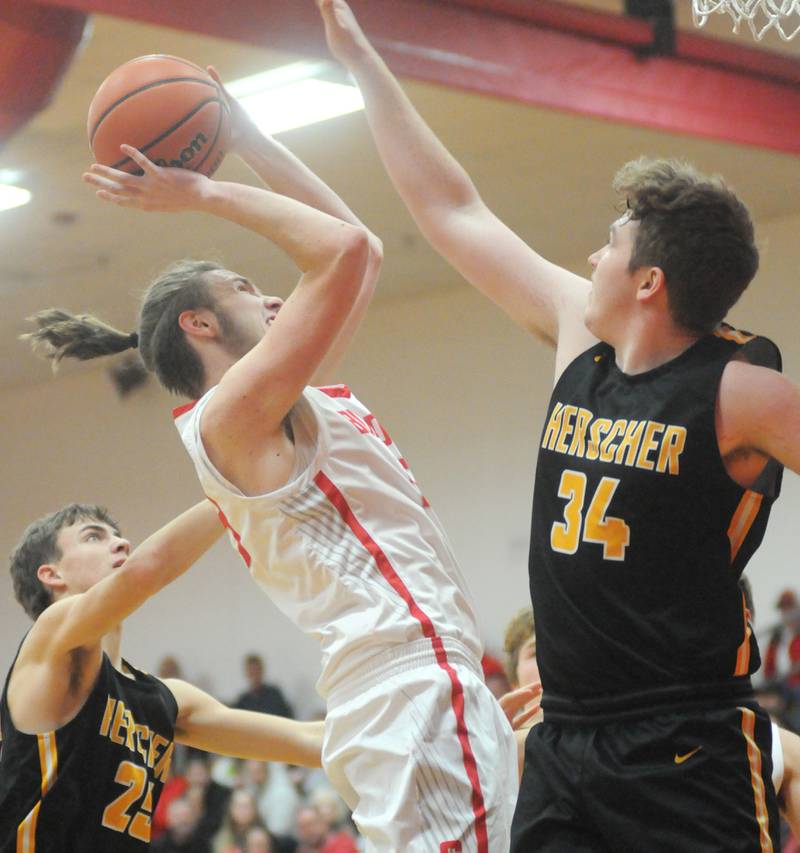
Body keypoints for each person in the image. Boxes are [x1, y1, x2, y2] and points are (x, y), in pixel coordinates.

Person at [315, 2, 800, 849]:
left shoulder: (739, 390)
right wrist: (362, 60)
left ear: (648, 281)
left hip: (684, 746)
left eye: (609, 244)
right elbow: (452, 209)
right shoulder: (583, 334)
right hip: (566, 738)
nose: (590, 257)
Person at [23, 71, 517, 851]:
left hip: (412, 683)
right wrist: (203, 192)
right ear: (201, 323)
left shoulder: (281, 410)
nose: (277, 299)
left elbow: (364, 250)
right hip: (406, 679)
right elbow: (341, 249)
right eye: (249, 289)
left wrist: (242, 133)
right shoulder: (231, 419)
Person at [0, 502, 324, 851]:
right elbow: (150, 568)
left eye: (118, 536)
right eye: (93, 537)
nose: (122, 544)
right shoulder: (51, 641)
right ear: (52, 575)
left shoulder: (165, 701)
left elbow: (309, 742)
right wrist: (239, 490)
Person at [234, 653, 293, 719]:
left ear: (262, 671)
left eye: (256, 670)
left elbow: (287, 717)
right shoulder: (243, 702)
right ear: (247, 673)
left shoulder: (274, 696)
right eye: (251, 671)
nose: (254, 675)